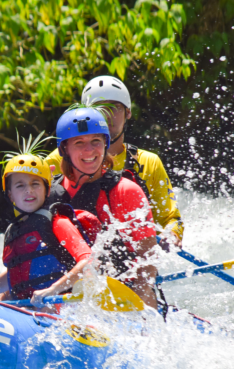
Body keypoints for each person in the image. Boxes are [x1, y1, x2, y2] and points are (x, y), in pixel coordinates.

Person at [46, 75, 183, 250]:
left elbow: (170, 218)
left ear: (128, 112)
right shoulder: (58, 159)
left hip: (131, 254)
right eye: (98, 108)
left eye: (114, 107)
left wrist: (171, 234)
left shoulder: (148, 162)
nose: (105, 114)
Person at [47, 106, 158, 308]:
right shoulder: (49, 193)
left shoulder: (126, 191)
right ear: (64, 149)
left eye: (95, 142)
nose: (89, 150)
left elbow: (148, 260)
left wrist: (141, 306)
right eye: (79, 143)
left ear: (105, 144)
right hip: (60, 296)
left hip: (118, 295)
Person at [0, 150, 92, 306]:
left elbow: (89, 260)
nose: (28, 190)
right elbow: (16, 276)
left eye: (35, 184)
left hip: (59, 302)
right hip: (29, 303)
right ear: (10, 195)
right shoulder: (13, 231)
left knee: (47, 309)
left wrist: (53, 289)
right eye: (20, 185)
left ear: (47, 190)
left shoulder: (58, 222)